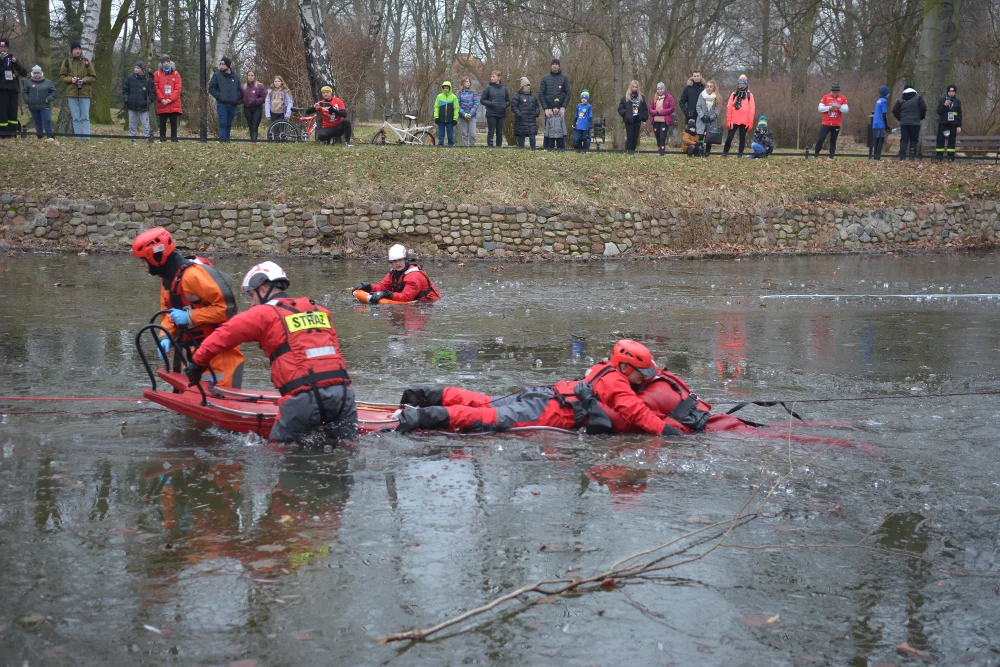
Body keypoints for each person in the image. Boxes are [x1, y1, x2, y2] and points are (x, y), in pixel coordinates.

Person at [186, 261, 357, 444]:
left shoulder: (263, 314)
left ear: (262, 288)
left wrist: (196, 366)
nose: (252, 303)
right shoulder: (321, 311)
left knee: (278, 456)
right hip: (344, 396)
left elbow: (221, 336)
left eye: (252, 295)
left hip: (303, 400)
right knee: (345, 450)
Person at [395, 340, 681, 435]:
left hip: (543, 394)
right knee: (487, 418)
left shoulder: (601, 368)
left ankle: (423, 395)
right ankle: (420, 417)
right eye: (641, 374)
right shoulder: (617, 382)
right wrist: (666, 431)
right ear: (625, 367)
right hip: (549, 411)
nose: (645, 379)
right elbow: (636, 412)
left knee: (486, 403)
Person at [131, 227, 245, 389]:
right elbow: (169, 317)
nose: (142, 265)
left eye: (143, 260)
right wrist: (165, 337)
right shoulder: (168, 282)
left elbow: (227, 310)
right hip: (195, 353)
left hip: (221, 355)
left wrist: (190, 317)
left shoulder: (193, 276)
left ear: (156, 256)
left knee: (219, 400)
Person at [353, 244, 440, 304]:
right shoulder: (393, 273)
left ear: (405, 260)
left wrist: (387, 294)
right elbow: (382, 287)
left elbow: (406, 298)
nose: (398, 263)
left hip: (426, 305)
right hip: (412, 303)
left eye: (400, 260)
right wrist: (368, 286)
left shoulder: (414, 276)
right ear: (391, 263)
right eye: (395, 261)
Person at [58, 40, 97, 140]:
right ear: (72, 50)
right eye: (75, 49)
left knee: (85, 117)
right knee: (75, 118)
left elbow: (93, 77)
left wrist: (83, 80)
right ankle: (78, 138)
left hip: (85, 94)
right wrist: (71, 79)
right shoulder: (66, 62)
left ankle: (87, 138)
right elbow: (62, 77)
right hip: (72, 93)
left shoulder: (87, 62)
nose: (77, 51)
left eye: (79, 49)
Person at [539, 58, 570, 149]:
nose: (555, 65)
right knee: (548, 130)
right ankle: (546, 148)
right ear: (551, 65)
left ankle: (561, 149)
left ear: (559, 66)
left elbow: (568, 93)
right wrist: (545, 109)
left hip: (560, 108)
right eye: (553, 64)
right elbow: (541, 94)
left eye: (556, 64)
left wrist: (564, 107)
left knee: (560, 129)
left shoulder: (564, 78)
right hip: (548, 109)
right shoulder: (545, 78)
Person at [0, 37, 27, 139]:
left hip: (13, 90)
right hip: (2, 90)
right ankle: (3, 135)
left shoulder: (12, 58)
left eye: (5, 47)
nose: (3, 49)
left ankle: (12, 133)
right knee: (3, 113)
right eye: (1, 47)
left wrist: (15, 63)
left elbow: (24, 73)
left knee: (12, 113)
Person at [209, 57, 241, 142]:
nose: (221, 66)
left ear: (228, 65)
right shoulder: (217, 75)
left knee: (229, 123)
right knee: (223, 123)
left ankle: (227, 140)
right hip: (222, 104)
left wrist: (236, 98)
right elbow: (211, 88)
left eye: (223, 64)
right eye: (220, 64)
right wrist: (219, 96)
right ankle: (222, 140)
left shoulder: (236, 77)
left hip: (233, 104)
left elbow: (239, 90)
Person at [814, 81, 848, 158]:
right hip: (826, 123)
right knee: (821, 138)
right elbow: (820, 108)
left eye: (836, 92)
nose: (835, 93)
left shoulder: (843, 98)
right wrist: (828, 108)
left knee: (833, 140)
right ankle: (816, 154)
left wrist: (840, 107)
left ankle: (831, 156)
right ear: (831, 91)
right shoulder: (825, 97)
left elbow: (846, 109)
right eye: (833, 91)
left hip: (836, 124)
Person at [892, 84, 927, 160]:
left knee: (904, 140)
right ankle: (911, 156)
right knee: (913, 140)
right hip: (915, 123)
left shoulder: (901, 100)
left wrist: (901, 118)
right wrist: (921, 117)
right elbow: (923, 107)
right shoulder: (918, 98)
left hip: (904, 123)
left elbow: (894, 111)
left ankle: (902, 157)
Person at [724, 74, 755, 157]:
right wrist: (728, 120)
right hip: (733, 120)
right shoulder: (734, 94)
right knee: (729, 138)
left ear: (746, 84)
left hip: (744, 121)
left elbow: (752, 109)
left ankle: (740, 155)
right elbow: (729, 108)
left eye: (743, 83)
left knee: (742, 139)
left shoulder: (749, 95)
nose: (741, 84)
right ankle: (725, 153)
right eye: (740, 83)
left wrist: (750, 122)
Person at [22, 65, 56, 139]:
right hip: (33, 106)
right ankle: (40, 136)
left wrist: (48, 99)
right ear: (32, 74)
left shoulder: (48, 82)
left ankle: (49, 136)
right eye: (35, 73)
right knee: (37, 121)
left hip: (45, 105)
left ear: (41, 73)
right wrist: (28, 100)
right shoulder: (28, 82)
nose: (37, 74)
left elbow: (53, 92)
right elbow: (24, 92)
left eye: (38, 73)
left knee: (47, 120)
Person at [123, 60, 153, 140]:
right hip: (132, 105)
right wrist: (126, 99)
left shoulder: (148, 79)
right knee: (132, 123)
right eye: (135, 67)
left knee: (145, 124)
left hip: (143, 106)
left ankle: (147, 139)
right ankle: (132, 139)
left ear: (142, 69)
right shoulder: (130, 78)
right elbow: (125, 90)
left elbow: (152, 93)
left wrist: (148, 102)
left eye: (138, 67)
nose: (136, 69)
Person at [154, 55, 182, 142]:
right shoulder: (157, 74)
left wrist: (170, 99)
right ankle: (163, 139)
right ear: (161, 64)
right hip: (162, 103)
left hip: (173, 103)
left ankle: (174, 139)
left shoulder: (176, 74)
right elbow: (156, 87)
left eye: (167, 62)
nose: (166, 63)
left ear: (170, 63)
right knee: (162, 123)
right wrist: (162, 99)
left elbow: (178, 88)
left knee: (174, 123)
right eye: (164, 62)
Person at [479, 71, 509, 148]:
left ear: (499, 78)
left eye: (494, 76)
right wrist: (491, 103)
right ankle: (490, 146)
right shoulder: (488, 88)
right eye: (491, 76)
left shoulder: (504, 89)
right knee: (491, 131)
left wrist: (504, 105)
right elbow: (482, 100)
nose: (492, 78)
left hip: (501, 113)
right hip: (491, 113)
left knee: (499, 132)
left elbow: (508, 101)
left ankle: (499, 146)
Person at [617, 80, 648, 154]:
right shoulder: (626, 97)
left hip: (637, 119)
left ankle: (632, 151)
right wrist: (625, 114)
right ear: (630, 87)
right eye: (633, 87)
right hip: (629, 119)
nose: (634, 88)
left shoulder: (642, 97)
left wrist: (644, 120)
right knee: (629, 137)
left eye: (636, 87)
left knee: (635, 137)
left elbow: (644, 109)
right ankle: (628, 151)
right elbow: (620, 108)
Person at [935, 84, 962, 161]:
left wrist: (959, 125)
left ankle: (950, 157)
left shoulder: (957, 102)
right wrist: (944, 105)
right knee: (940, 140)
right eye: (950, 91)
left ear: (955, 92)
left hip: (953, 124)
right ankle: (939, 157)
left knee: (952, 141)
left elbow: (959, 114)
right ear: (947, 92)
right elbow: (938, 111)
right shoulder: (943, 100)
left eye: (953, 91)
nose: (951, 93)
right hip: (943, 123)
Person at [512, 77, 540, 149]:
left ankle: (533, 149)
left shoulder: (533, 96)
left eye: (529, 85)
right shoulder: (517, 96)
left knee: (532, 136)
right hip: (521, 120)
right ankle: (521, 150)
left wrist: (536, 113)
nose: (528, 87)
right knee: (521, 136)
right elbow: (514, 106)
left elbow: (537, 106)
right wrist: (519, 114)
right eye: (526, 85)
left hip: (531, 120)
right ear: (522, 87)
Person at [648, 82, 675, 156]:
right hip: (655, 120)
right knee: (657, 137)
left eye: (661, 89)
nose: (660, 91)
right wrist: (655, 112)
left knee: (662, 137)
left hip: (664, 120)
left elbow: (672, 108)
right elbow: (650, 108)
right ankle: (659, 150)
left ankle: (662, 152)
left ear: (664, 89)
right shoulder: (654, 98)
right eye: (658, 89)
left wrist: (662, 112)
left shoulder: (669, 97)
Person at [695, 79, 720, 155]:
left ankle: (707, 153)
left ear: (713, 88)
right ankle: (699, 152)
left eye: (711, 87)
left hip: (711, 121)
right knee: (700, 136)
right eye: (708, 86)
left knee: (709, 138)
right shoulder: (701, 95)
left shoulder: (717, 97)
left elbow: (717, 110)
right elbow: (698, 106)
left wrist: (710, 117)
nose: (709, 88)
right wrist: (702, 116)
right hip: (701, 120)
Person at [241, 70, 267, 143]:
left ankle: (254, 141)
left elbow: (264, 97)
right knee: (250, 125)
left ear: (255, 76)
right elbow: (240, 97)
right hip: (247, 108)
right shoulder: (243, 86)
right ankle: (252, 140)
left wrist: (255, 101)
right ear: (247, 76)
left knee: (255, 125)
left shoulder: (260, 86)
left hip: (257, 108)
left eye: (252, 75)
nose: (250, 77)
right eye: (249, 75)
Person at [457, 77, 479, 147]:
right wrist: (464, 114)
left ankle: (472, 147)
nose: (468, 83)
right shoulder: (459, 92)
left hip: (472, 116)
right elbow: (457, 105)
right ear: (462, 83)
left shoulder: (473, 92)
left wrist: (470, 113)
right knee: (464, 134)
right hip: (462, 116)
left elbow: (476, 103)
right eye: (466, 81)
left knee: (472, 134)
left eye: (469, 81)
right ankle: (465, 147)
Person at [871, 85, 890, 160]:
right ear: (886, 93)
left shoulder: (878, 100)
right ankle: (877, 157)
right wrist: (886, 126)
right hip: (881, 123)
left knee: (876, 140)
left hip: (875, 123)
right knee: (881, 140)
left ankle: (875, 155)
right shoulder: (884, 101)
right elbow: (884, 114)